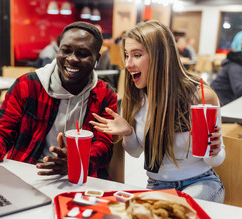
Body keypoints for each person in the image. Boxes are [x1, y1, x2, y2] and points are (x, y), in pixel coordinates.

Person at [0, 22, 118, 179]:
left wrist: (77, 161)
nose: (72, 58)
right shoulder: (28, 85)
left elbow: (103, 146)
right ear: (58, 51)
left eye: (83, 54)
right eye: (66, 50)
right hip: (28, 174)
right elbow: (2, 130)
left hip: (81, 178)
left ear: (97, 59)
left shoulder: (105, 95)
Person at [90, 20, 225, 203]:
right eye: (126, 55)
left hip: (201, 182)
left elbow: (215, 161)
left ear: (161, 56)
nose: (128, 64)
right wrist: (128, 132)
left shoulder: (200, 97)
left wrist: (214, 150)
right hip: (158, 185)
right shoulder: (136, 96)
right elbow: (135, 152)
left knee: (176, 216)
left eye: (137, 55)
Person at [211, 38, 242, 136]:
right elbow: (239, 89)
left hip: (226, 101)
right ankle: (236, 145)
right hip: (220, 104)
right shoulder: (237, 66)